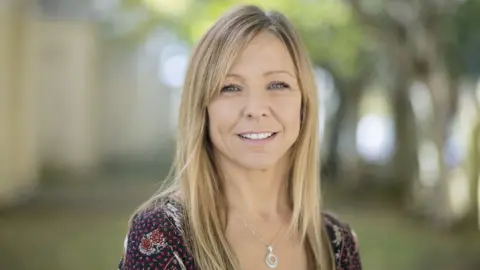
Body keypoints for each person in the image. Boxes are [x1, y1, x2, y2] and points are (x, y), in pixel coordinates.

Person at [118, 4, 361, 270]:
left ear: (304, 105)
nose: (256, 109)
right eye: (230, 87)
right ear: (203, 109)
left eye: (278, 85)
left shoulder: (336, 244)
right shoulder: (162, 236)